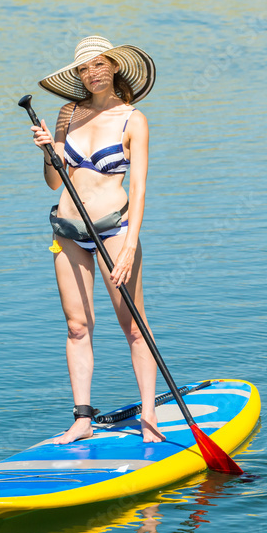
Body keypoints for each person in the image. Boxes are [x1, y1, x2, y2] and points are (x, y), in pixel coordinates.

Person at [30, 35, 163, 444]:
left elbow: (138, 188)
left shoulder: (132, 119)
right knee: (76, 327)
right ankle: (83, 419)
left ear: (116, 66)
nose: (94, 73)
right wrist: (48, 150)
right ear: (79, 76)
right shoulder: (68, 113)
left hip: (114, 230)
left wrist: (129, 244)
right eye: (85, 68)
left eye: (100, 64)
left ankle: (150, 416)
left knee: (134, 327)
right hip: (68, 232)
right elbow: (56, 181)